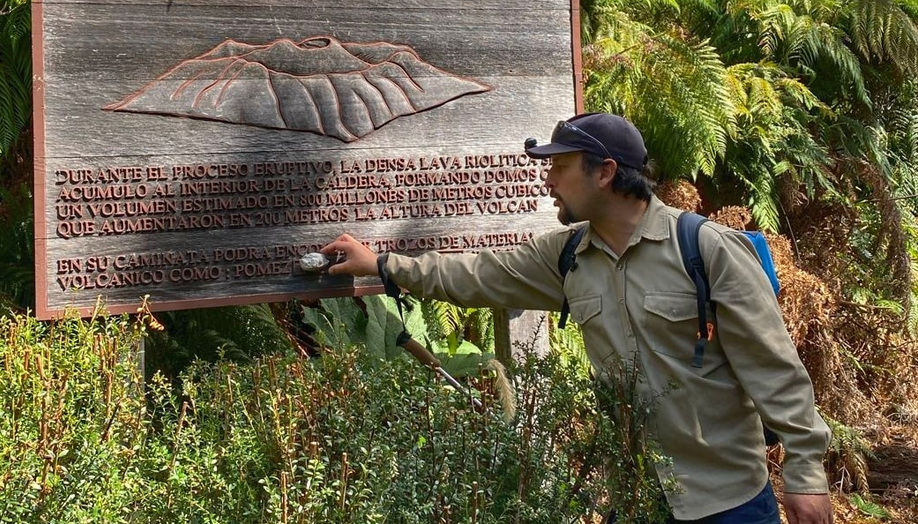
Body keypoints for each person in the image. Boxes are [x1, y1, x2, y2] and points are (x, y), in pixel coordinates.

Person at [321, 111, 833, 524]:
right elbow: (476, 274)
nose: (548, 181)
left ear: (605, 172)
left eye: (559, 167)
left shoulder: (703, 249)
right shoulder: (565, 257)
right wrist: (383, 264)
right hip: (632, 495)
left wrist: (807, 474)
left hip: (727, 501)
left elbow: (774, 368)